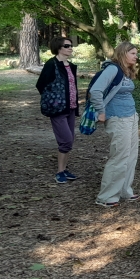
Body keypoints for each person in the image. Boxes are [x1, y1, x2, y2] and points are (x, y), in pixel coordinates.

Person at [89, 42, 140, 207]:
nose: (136, 56)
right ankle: (107, 196)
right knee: (119, 155)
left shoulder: (126, 71)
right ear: (123, 53)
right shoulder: (113, 69)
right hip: (118, 118)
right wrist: (101, 111)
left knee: (131, 155)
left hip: (131, 117)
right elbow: (95, 90)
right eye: (132, 53)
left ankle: (125, 190)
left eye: (136, 53)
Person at [36, 37, 80, 183]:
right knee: (66, 140)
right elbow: (41, 85)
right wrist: (52, 100)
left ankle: (64, 169)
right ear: (59, 48)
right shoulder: (51, 64)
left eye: (71, 46)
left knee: (70, 140)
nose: (70, 48)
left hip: (71, 107)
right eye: (67, 46)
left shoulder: (70, 66)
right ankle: (59, 172)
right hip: (58, 109)